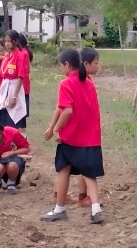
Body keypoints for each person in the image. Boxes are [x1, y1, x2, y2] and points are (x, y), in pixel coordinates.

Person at [41, 48, 105, 224]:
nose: (61, 68)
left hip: (71, 137)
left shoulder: (66, 83)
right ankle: (96, 208)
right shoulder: (89, 83)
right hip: (90, 136)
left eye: (61, 65)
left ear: (67, 65)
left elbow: (67, 110)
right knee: (89, 173)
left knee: (64, 170)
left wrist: (56, 129)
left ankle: (59, 209)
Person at [73, 47, 103, 208]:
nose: (98, 66)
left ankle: (80, 196)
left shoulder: (86, 79)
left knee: (73, 165)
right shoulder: (80, 81)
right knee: (84, 166)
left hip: (86, 130)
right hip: (83, 132)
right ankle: (85, 199)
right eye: (96, 63)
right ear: (86, 63)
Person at [0, 30, 29, 129]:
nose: (7, 44)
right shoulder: (6, 56)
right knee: (3, 118)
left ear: (15, 41)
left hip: (14, 87)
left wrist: (14, 96)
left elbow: (20, 77)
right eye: (5, 41)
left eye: (9, 41)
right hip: (5, 87)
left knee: (13, 117)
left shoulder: (20, 56)